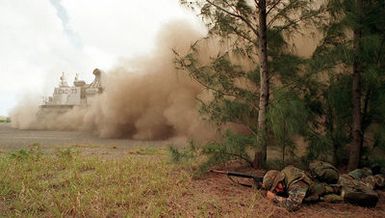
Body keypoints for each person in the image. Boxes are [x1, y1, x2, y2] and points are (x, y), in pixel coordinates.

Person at [262, 165, 340, 211]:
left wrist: (274, 197)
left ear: (280, 179)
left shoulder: (296, 184)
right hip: (310, 184)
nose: (278, 190)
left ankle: (339, 191)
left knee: (333, 197)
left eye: (276, 186)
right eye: (275, 190)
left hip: (320, 190)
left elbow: (293, 205)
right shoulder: (284, 173)